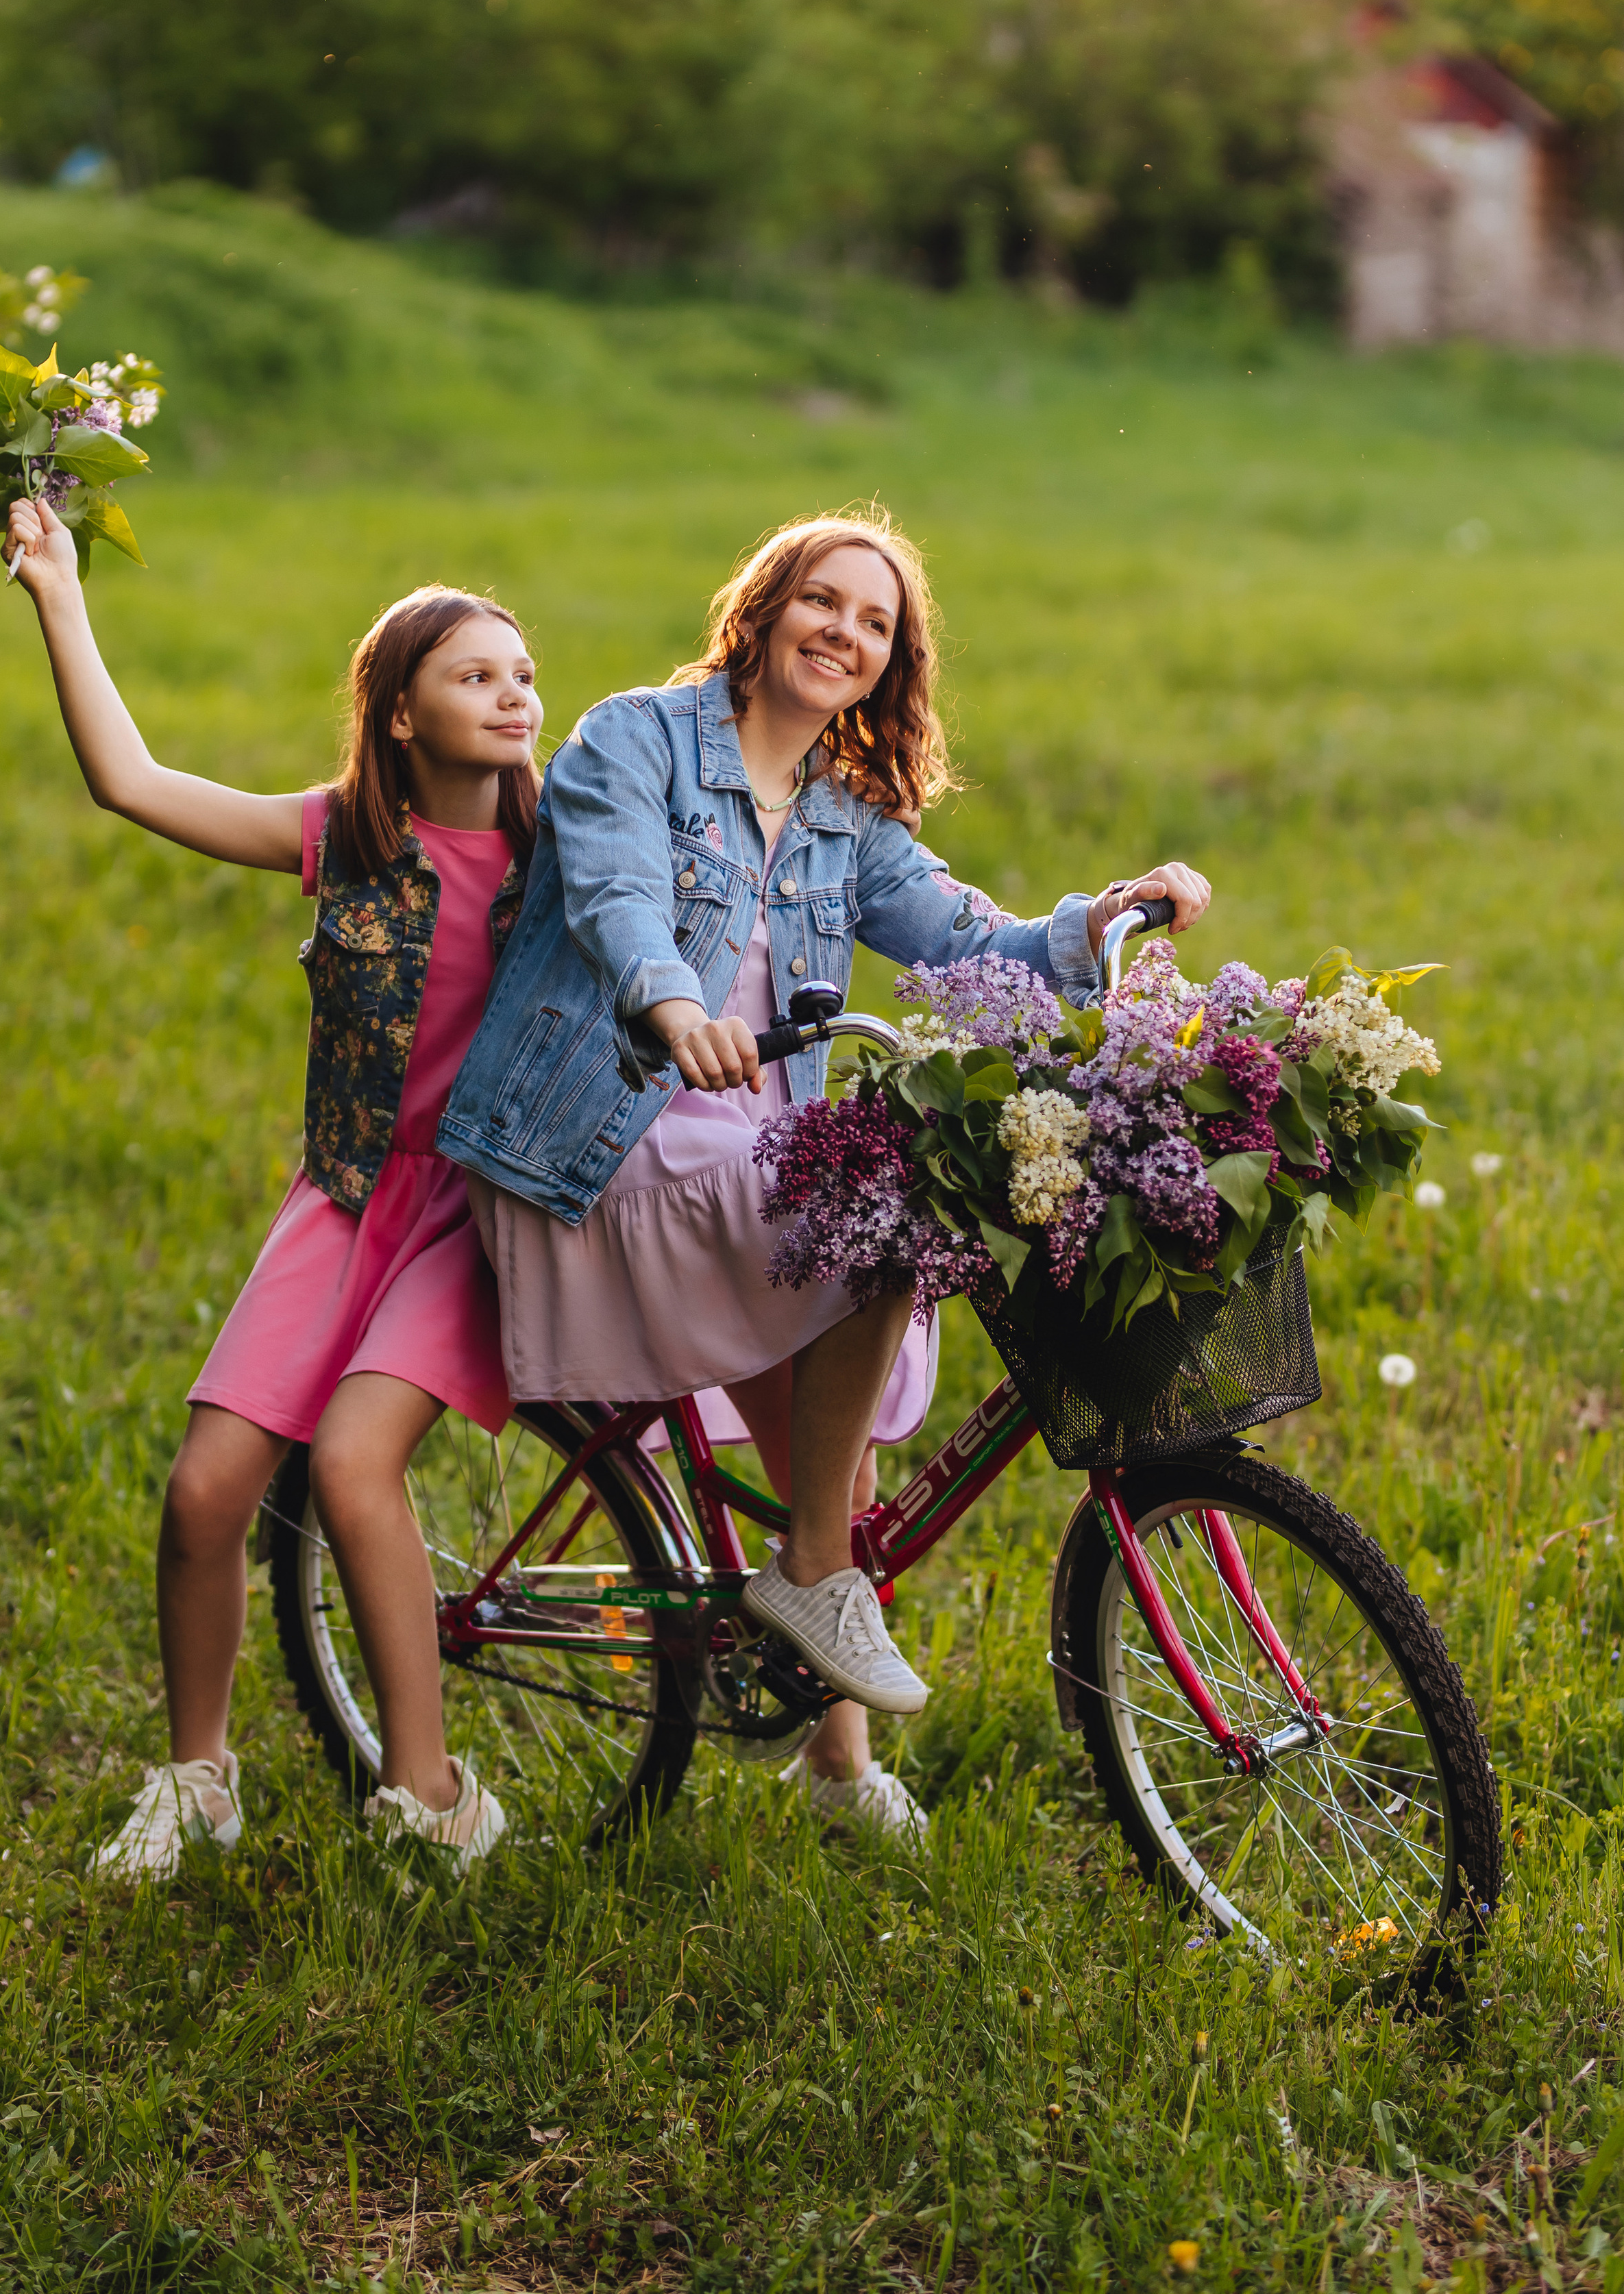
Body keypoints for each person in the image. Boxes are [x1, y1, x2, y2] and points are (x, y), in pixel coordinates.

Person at [436, 508, 1211, 1832]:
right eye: (824, 602)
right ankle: (808, 1580)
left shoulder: (844, 816)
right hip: (607, 1140)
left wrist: (1099, 919)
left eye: (876, 622)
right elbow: (619, 902)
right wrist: (674, 1008)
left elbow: (973, 941)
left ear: (892, 661)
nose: (844, 633)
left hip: (742, 1144)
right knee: (878, 1230)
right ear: (764, 606)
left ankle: (835, 1759)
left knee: (834, 1440)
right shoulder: (636, 737)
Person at [0, 491, 537, 1879]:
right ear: (401, 715)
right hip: (351, 1195)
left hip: (470, 1219)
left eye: (523, 673)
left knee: (357, 1473)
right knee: (203, 1492)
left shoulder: (566, 859)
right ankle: (197, 1778)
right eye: (473, 674)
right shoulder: (346, 840)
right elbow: (132, 783)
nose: (512, 693)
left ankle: (430, 1797)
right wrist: (61, 593)